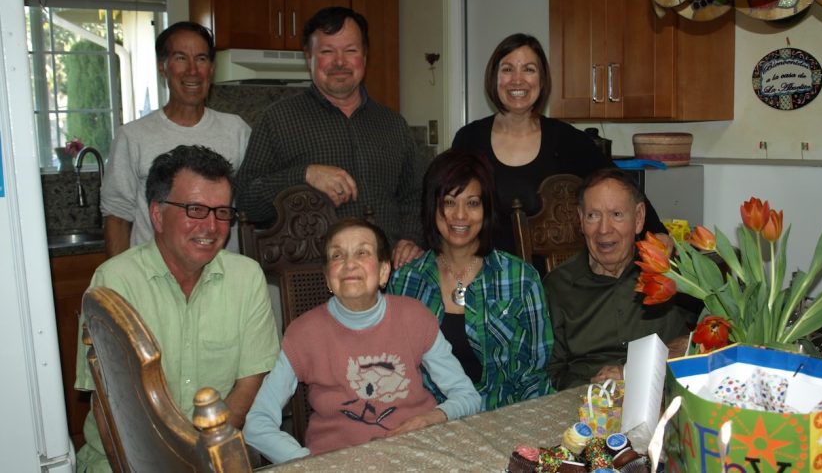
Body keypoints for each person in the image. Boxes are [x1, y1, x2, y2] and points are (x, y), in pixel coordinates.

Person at [74, 145, 279, 472]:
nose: (211, 227)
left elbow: (249, 383)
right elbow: (108, 408)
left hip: (211, 456)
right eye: (196, 209)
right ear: (157, 214)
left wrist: (204, 456)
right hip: (124, 461)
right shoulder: (114, 282)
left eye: (222, 211)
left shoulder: (246, 278)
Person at [243, 217, 479, 463]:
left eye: (362, 253)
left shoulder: (415, 316)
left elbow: (467, 395)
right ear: (327, 278)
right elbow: (257, 424)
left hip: (418, 455)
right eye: (337, 256)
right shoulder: (303, 334)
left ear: (384, 271)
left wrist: (433, 417)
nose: (349, 264)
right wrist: (311, 464)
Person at [451, 33, 667, 274]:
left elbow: (619, 186)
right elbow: (442, 203)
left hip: (554, 289)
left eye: (529, 70)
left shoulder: (568, 140)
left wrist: (658, 234)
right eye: (507, 69)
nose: (517, 80)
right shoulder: (468, 139)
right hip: (482, 280)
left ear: (542, 81)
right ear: (494, 78)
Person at [235, 6, 423, 268]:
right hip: (312, 282)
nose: (339, 62)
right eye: (327, 51)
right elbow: (246, 200)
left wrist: (410, 238)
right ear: (308, 56)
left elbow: (414, 197)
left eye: (350, 50)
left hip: (388, 278)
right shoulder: (277, 120)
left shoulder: (393, 124)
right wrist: (304, 175)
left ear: (365, 56)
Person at [388, 149, 553, 411]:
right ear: (433, 206)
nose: (460, 215)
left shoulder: (521, 279)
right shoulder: (406, 282)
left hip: (503, 417)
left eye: (473, 203)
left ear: (487, 209)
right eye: (449, 202)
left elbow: (534, 373)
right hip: (429, 423)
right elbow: (397, 371)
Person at [101, 21, 250, 257]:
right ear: (163, 67)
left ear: (211, 69)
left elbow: (250, 208)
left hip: (220, 279)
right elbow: (117, 216)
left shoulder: (236, 130)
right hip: (152, 279)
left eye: (201, 59)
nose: (192, 70)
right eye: (181, 58)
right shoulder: (132, 136)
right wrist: (119, 284)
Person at [544, 168, 699, 390]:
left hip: (661, 394)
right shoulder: (558, 286)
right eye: (593, 216)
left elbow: (715, 334)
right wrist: (594, 388)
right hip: (588, 403)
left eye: (617, 215)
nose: (604, 230)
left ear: (638, 218)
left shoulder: (669, 273)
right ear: (580, 219)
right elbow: (551, 373)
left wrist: (642, 367)